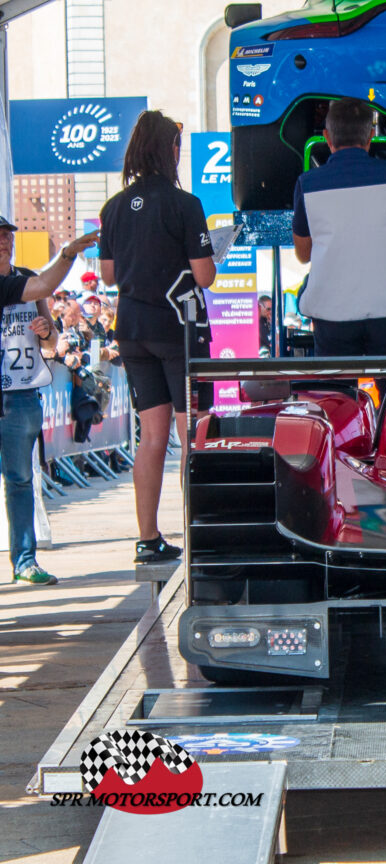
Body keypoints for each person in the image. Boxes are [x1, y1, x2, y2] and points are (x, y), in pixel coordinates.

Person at [98, 110, 216, 565]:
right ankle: (198, 534)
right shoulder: (184, 204)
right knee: (192, 436)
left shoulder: (113, 207)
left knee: (151, 437)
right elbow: (204, 276)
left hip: (132, 330)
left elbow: (109, 275)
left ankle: (147, 539)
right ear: (170, 149)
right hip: (178, 328)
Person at [0, 216, 99, 584]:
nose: (4, 241)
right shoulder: (31, 282)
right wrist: (69, 253)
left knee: (21, 479)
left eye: (8, 235)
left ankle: (25, 560)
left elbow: (51, 341)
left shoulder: (28, 278)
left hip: (23, 393)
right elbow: (45, 283)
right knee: (18, 479)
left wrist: (46, 331)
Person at [292, 98, 386, 371]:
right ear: (370, 135)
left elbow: (303, 255)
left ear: (326, 137)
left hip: (333, 318)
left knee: (338, 401)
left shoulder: (308, 184)